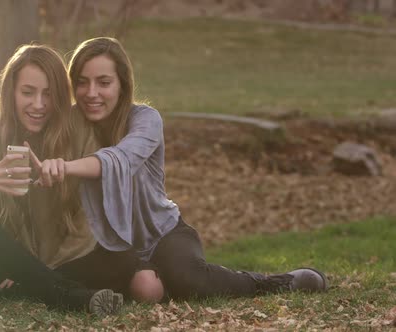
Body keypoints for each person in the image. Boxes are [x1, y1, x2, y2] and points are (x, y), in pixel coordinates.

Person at [35, 37, 329, 303]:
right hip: (110, 247)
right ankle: (152, 281)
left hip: (163, 232)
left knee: (188, 279)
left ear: (122, 84)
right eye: (82, 82)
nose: (91, 92)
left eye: (103, 82)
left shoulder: (146, 120)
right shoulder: (70, 125)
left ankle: (274, 282)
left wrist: (67, 167)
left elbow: (120, 160)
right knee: (141, 289)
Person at [0, 44, 123, 317]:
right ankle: (69, 296)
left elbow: (88, 220)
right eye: (28, 92)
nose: (38, 104)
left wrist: (35, 273)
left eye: (48, 94)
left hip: (64, 264)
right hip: (1, 266)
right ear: (10, 92)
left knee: (116, 258)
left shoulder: (79, 134)